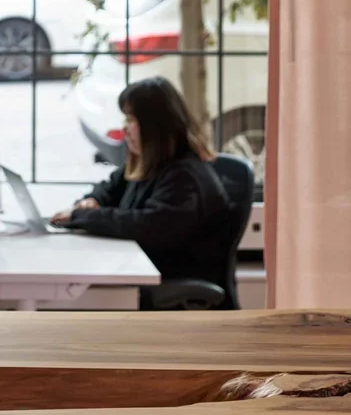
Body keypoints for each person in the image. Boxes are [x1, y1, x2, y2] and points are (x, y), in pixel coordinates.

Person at [51, 76, 230, 289]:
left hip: (167, 283)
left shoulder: (184, 177)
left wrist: (82, 215)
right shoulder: (152, 164)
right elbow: (110, 188)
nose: (125, 129)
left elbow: (148, 226)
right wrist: (92, 201)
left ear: (155, 126)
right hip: (140, 271)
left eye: (131, 120)